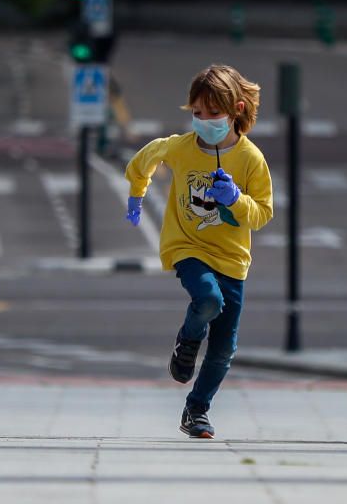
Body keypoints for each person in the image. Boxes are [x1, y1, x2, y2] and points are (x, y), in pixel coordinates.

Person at [124, 65, 274, 439]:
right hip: (188, 246)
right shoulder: (180, 148)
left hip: (233, 259)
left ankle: (196, 410)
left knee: (224, 349)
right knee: (208, 298)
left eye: (212, 114)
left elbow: (262, 213)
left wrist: (237, 200)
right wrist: (135, 193)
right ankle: (187, 340)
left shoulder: (251, 159)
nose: (203, 122)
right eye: (196, 113)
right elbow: (144, 160)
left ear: (237, 109)